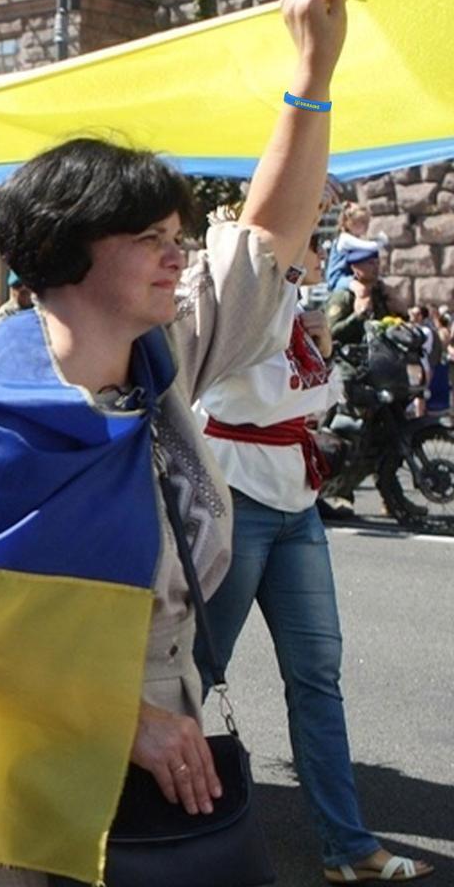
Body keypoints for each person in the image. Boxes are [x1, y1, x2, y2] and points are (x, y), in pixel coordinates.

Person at [0, 0, 347, 887]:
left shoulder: (158, 360)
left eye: (177, 235)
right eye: (146, 238)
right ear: (64, 250)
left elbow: (265, 241)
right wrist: (119, 720)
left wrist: (313, 75)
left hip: (167, 718)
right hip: (24, 747)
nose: (177, 256)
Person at [195, 228, 434, 884]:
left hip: (296, 503)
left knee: (317, 679)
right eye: (310, 236)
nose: (320, 253)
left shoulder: (297, 306)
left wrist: (320, 351)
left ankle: (347, 847)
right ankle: (132, 831)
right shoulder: (235, 298)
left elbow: (318, 395)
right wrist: (315, 361)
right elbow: (254, 396)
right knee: (195, 672)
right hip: (237, 498)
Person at [325, 202, 381, 292]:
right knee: (361, 289)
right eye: (362, 222)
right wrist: (383, 239)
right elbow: (371, 247)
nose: (367, 226)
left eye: (367, 222)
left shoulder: (356, 238)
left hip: (352, 276)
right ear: (351, 223)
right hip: (338, 278)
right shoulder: (345, 239)